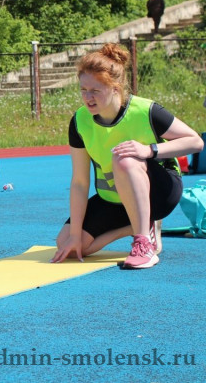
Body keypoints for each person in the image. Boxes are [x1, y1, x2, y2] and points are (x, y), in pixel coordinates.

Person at [52, 43, 203, 269]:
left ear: (115, 88)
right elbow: (80, 183)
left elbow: (195, 142)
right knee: (67, 244)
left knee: (124, 157)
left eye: (95, 90)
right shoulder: (79, 122)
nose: (87, 97)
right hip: (114, 199)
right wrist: (75, 234)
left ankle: (143, 244)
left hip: (159, 193)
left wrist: (149, 150)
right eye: (83, 90)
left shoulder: (146, 111)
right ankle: (141, 225)